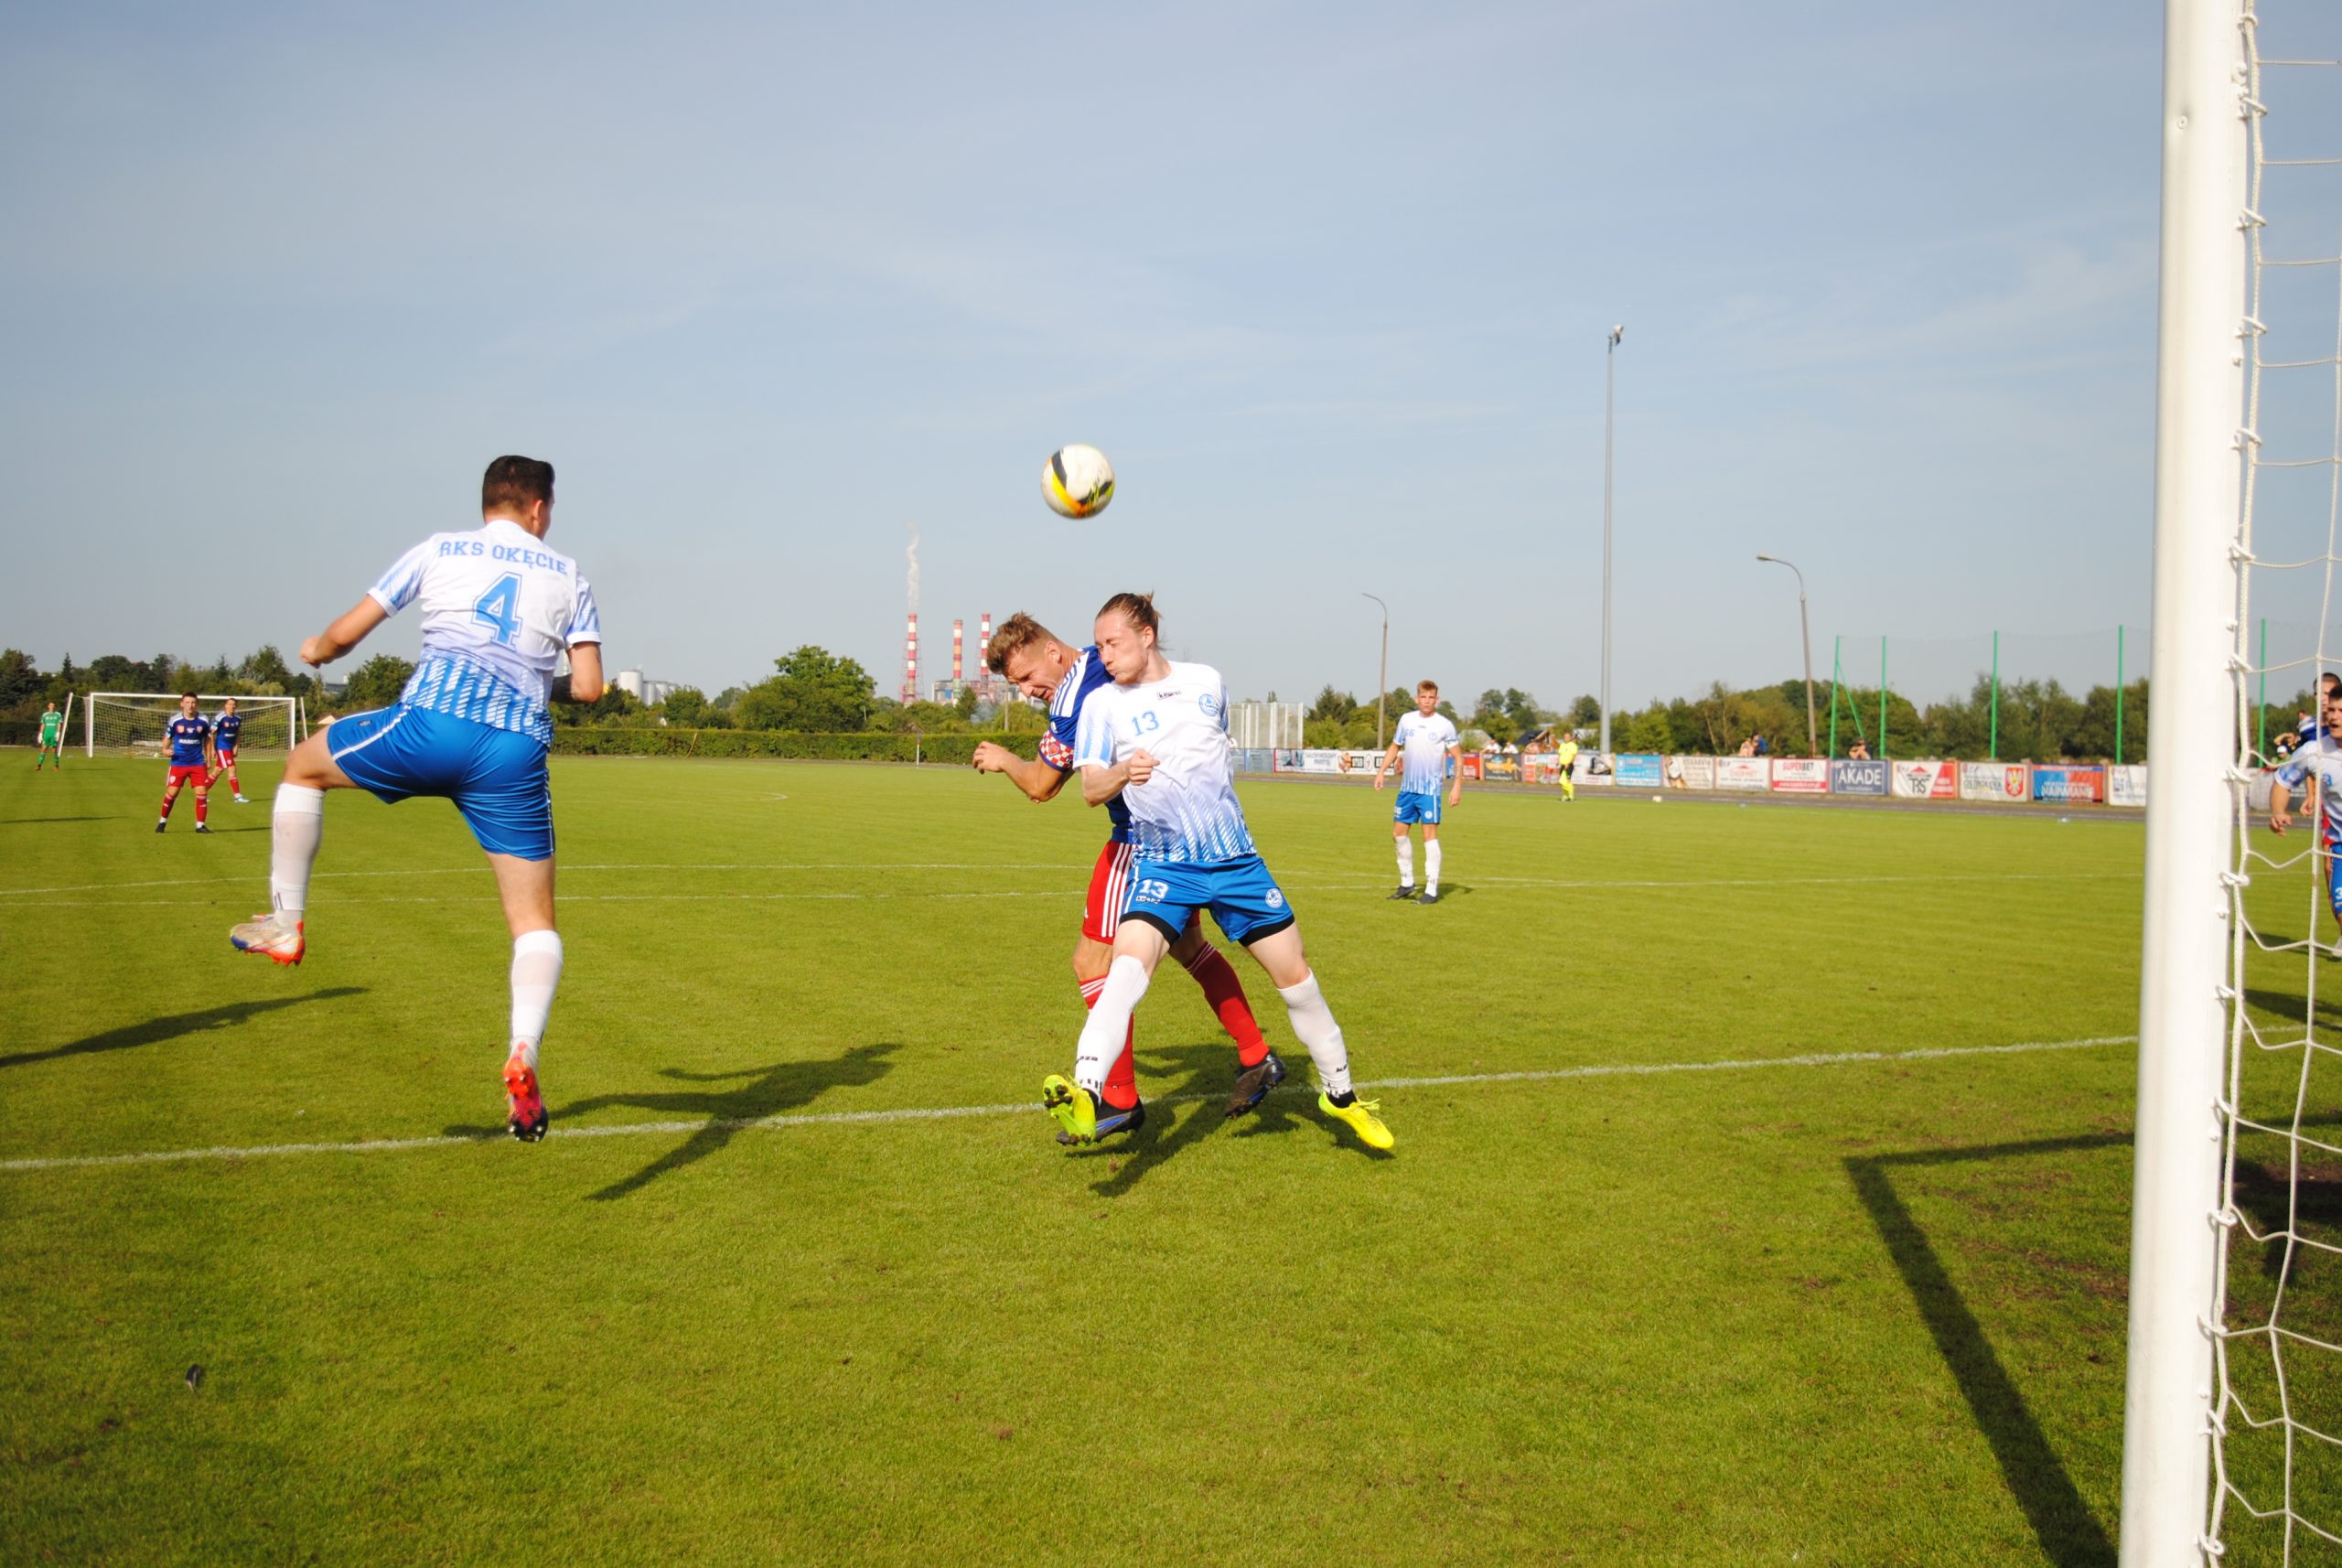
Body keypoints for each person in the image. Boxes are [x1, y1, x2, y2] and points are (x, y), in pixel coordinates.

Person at [227, 456, 603, 1144]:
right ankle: (524, 1051)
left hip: (430, 729)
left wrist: (317, 649)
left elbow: (345, 634)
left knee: (302, 768)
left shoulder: (439, 550)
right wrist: (524, 677)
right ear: (539, 509)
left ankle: (285, 923)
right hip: (513, 752)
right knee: (534, 923)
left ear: (489, 502)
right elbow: (587, 688)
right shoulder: (570, 576)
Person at [1041, 593, 1391, 1153]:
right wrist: (1124, 771)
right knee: (1125, 972)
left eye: (1113, 642)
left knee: (1298, 980)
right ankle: (1087, 1090)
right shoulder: (1102, 704)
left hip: (1237, 863)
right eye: (1100, 645)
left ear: (1147, 636)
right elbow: (1090, 789)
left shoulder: (1206, 681)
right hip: (1163, 864)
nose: (1103, 655)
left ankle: (1341, 1096)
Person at [972, 613, 1281, 1136]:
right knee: (1189, 948)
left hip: (1141, 844)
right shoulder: (1105, 658)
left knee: (1091, 962)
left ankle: (1119, 1098)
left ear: (1052, 653)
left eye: (1026, 678)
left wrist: (1004, 759)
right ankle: (1256, 1055)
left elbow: (1042, 785)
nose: (1026, 691)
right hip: (1187, 833)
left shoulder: (1075, 696)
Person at [1375, 680, 1462, 903]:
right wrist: (1381, 772)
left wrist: (1457, 786)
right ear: (1417, 698)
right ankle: (1407, 883)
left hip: (1429, 791)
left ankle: (1431, 890)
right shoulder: (1407, 720)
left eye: (1431, 697)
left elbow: (1458, 757)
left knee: (1428, 838)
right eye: (1423, 697)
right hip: (1407, 789)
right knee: (1398, 835)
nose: (1427, 701)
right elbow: (1395, 746)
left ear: (1437, 700)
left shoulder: (1444, 725)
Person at [2270, 683, 2342, 950]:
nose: (2334, 717)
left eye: (2341, 711)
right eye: (2331, 710)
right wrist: (2278, 811)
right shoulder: (2314, 752)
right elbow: (2282, 781)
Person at [156, 693, 215, 834]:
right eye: (187, 702)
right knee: (172, 793)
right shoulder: (175, 720)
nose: (191, 705)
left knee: (202, 792)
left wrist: (208, 760)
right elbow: (168, 737)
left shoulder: (203, 720)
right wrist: (164, 749)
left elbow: (208, 740)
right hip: (179, 762)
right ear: (182, 704)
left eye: (193, 702)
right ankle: (162, 822)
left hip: (197, 762)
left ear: (197, 704)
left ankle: (200, 826)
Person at [209, 697, 250, 803]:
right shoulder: (220, 718)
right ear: (225, 705)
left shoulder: (238, 718)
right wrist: (212, 749)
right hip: (222, 747)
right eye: (230, 704)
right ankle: (237, 796)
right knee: (232, 768)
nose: (232, 706)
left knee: (217, 771)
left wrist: (236, 747)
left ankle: (202, 792)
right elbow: (212, 733)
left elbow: (238, 733)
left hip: (230, 747)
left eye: (234, 704)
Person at [35, 701, 64, 770]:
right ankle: (39, 765)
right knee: (44, 749)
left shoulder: (58, 714)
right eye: (51, 705)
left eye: (53, 706)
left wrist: (58, 733)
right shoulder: (45, 715)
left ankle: (56, 766)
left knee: (54, 750)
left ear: (55, 707)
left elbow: (59, 724)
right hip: (46, 734)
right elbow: (43, 724)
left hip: (53, 734)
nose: (52, 707)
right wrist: (40, 734)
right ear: (48, 706)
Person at [1554, 731, 1579, 802]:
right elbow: (1560, 754)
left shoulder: (1573, 745)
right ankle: (1565, 796)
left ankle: (1571, 796)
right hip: (1562, 765)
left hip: (1569, 765)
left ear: (1570, 738)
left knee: (1568, 781)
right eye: (1565, 737)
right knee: (1562, 781)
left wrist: (1569, 763)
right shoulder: (1562, 745)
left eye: (1568, 737)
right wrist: (1558, 762)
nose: (1566, 738)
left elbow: (1574, 756)